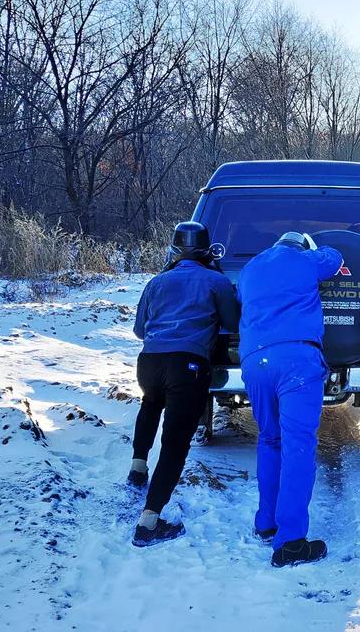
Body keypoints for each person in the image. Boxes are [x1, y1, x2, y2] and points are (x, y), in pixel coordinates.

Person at [129, 221, 240, 547]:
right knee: (176, 443)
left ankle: (137, 468)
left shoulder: (156, 282)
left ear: (175, 250)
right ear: (206, 251)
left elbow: (139, 330)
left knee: (151, 403)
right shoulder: (216, 281)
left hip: (149, 362)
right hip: (188, 364)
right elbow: (232, 324)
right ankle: (149, 523)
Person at [237, 231, 343, 567]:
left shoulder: (250, 268)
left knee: (270, 439)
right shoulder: (306, 259)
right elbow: (335, 258)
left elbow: (241, 297)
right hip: (296, 360)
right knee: (298, 444)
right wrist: (318, 247)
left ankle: (266, 522)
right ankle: (292, 542)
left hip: (255, 361)